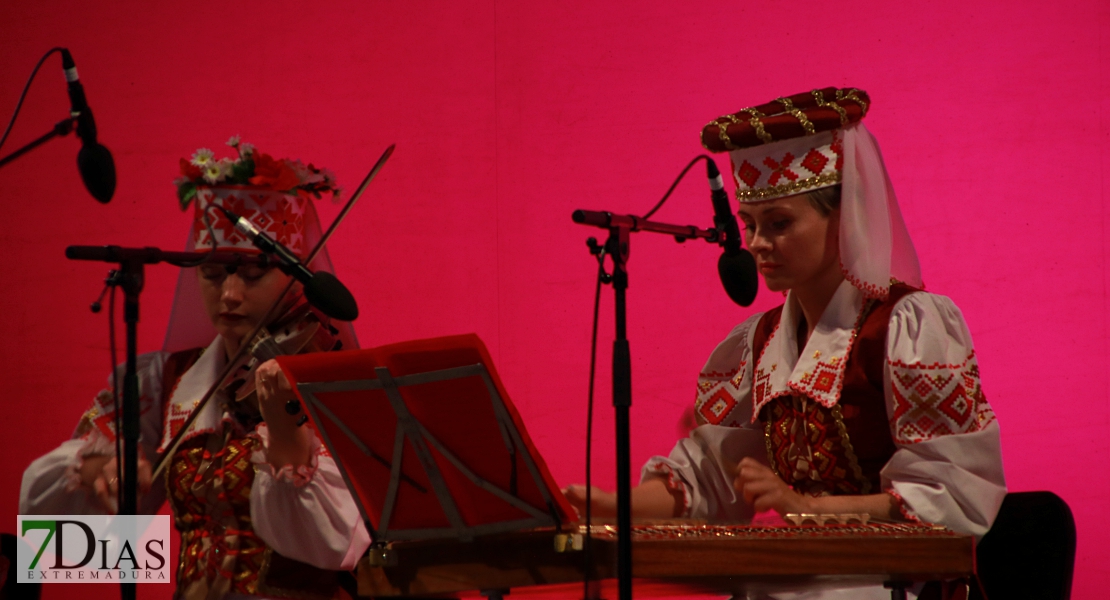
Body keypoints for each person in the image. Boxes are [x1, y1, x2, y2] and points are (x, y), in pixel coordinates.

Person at [564, 88, 1006, 598]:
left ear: (844, 220)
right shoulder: (759, 342)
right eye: (750, 225)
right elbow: (709, 479)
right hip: (792, 576)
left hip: (888, 583)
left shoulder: (904, 326)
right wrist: (607, 504)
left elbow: (953, 496)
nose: (755, 243)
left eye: (779, 223)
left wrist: (813, 508)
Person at [20, 140, 370, 600]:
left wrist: (288, 439)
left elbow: (338, 549)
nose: (228, 295)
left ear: (294, 274)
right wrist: (96, 476)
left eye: (250, 275)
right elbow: (56, 550)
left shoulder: (330, 381)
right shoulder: (164, 383)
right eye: (211, 273)